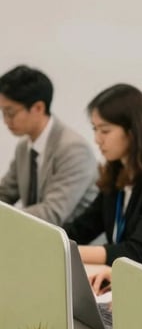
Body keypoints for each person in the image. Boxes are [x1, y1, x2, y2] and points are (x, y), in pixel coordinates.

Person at [65, 84, 142, 272]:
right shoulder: (118, 173)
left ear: (133, 132)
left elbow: (137, 252)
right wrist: (50, 240)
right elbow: (81, 228)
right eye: (95, 129)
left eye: (105, 131)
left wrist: (67, 251)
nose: (97, 139)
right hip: (118, 276)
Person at [0, 64, 97, 225]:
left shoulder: (73, 149)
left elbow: (52, 213)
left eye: (10, 113)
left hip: (73, 238)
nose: (5, 120)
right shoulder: (24, 146)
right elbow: (5, 193)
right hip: (37, 235)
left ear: (38, 108)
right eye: (2, 112)